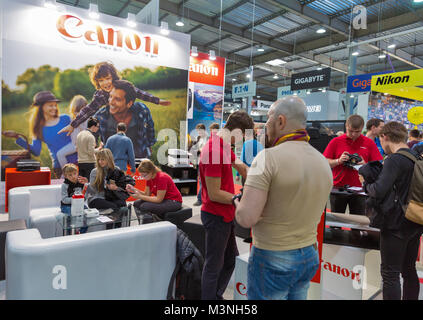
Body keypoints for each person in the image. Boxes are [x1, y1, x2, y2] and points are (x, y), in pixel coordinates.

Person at [234, 96, 333, 300]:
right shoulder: (322, 161)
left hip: (273, 256)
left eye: (268, 120)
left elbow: (246, 218)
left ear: (281, 121)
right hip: (308, 255)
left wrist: (238, 202)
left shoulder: (267, 158)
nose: (265, 127)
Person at [360, 122, 423, 300]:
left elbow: (379, 190)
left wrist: (365, 184)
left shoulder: (395, 160)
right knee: (409, 270)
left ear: (385, 137)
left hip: (395, 223)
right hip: (415, 219)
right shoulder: (415, 156)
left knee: (390, 274)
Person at [199, 110, 252, 300]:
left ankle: (215, 296)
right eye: (243, 136)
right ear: (237, 131)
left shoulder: (224, 146)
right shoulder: (213, 151)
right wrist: (237, 199)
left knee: (229, 261)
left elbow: (242, 168)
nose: (243, 141)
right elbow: (214, 194)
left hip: (225, 214)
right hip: (216, 215)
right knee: (214, 265)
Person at [58, 61, 170, 136]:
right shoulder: (100, 95)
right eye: (101, 80)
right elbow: (88, 109)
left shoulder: (123, 86)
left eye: (107, 78)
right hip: (114, 121)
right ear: (97, 82)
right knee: (99, 116)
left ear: (113, 77)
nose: (105, 83)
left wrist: (158, 101)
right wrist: (73, 124)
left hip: (129, 116)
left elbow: (139, 93)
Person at [323, 114, 383, 215]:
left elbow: (378, 167)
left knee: (358, 222)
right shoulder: (336, 141)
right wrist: (338, 161)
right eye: (351, 131)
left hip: (361, 189)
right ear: (346, 126)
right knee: (336, 220)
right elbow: (324, 162)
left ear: (362, 129)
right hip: (338, 188)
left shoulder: (369, 143)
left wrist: (365, 165)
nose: (354, 134)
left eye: (357, 132)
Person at [14, 91, 78, 178]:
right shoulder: (38, 128)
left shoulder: (66, 119)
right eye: (50, 105)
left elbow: (78, 138)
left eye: (55, 105)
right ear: (41, 107)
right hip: (60, 168)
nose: (54, 108)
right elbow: (36, 151)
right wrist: (17, 138)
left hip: (77, 162)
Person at [94, 80, 156, 159]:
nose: (111, 102)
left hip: (138, 159)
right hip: (113, 163)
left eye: (117, 99)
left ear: (129, 103)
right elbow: (90, 135)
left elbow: (150, 128)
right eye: (110, 96)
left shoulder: (142, 110)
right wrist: (96, 150)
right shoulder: (100, 116)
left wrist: (149, 145)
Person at [79, 148, 128, 228]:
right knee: (114, 207)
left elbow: (121, 188)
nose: (100, 162)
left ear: (109, 159)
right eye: (98, 159)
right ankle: (109, 230)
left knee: (122, 204)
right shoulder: (95, 172)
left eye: (103, 159)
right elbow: (93, 191)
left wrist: (116, 188)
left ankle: (118, 230)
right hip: (96, 198)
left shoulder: (117, 170)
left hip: (110, 197)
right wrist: (87, 184)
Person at [60, 163, 88, 233]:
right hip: (66, 205)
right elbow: (64, 200)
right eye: (70, 175)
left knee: (87, 214)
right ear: (66, 176)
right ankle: (69, 234)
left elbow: (84, 197)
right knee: (70, 216)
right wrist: (75, 199)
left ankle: (81, 233)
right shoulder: (64, 185)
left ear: (77, 173)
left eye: (75, 173)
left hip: (79, 204)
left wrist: (83, 196)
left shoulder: (81, 182)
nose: (73, 176)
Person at [191, 123, 208, 206]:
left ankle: (200, 199)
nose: (198, 133)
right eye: (197, 131)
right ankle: (202, 198)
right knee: (201, 181)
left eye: (199, 131)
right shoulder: (199, 138)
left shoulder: (208, 138)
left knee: (203, 181)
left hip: (206, 162)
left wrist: (201, 150)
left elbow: (207, 150)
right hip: (199, 161)